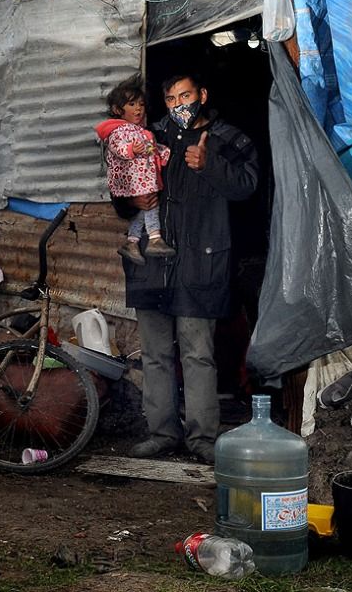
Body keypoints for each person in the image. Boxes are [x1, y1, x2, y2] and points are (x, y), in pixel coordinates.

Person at [118, 73, 259, 464]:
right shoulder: (146, 137)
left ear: (203, 95)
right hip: (152, 262)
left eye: (186, 95)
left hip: (202, 261)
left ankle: (202, 439)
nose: (178, 103)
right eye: (170, 98)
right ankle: (161, 433)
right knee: (155, 355)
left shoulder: (229, 139)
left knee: (198, 354)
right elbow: (118, 187)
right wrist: (133, 201)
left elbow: (248, 187)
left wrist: (209, 163)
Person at [95, 75, 174, 265]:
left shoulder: (141, 131)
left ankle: (132, 242)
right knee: (151, 206)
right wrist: (130, 150)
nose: (138, 108)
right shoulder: (118, 131)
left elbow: (151, 148)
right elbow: (117, 147)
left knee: (143, 210)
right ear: (117, 109)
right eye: (131, 104)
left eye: (141, 104)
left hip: (142, 180)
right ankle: (155, 239)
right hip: (132, 182)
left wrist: (165, 153)